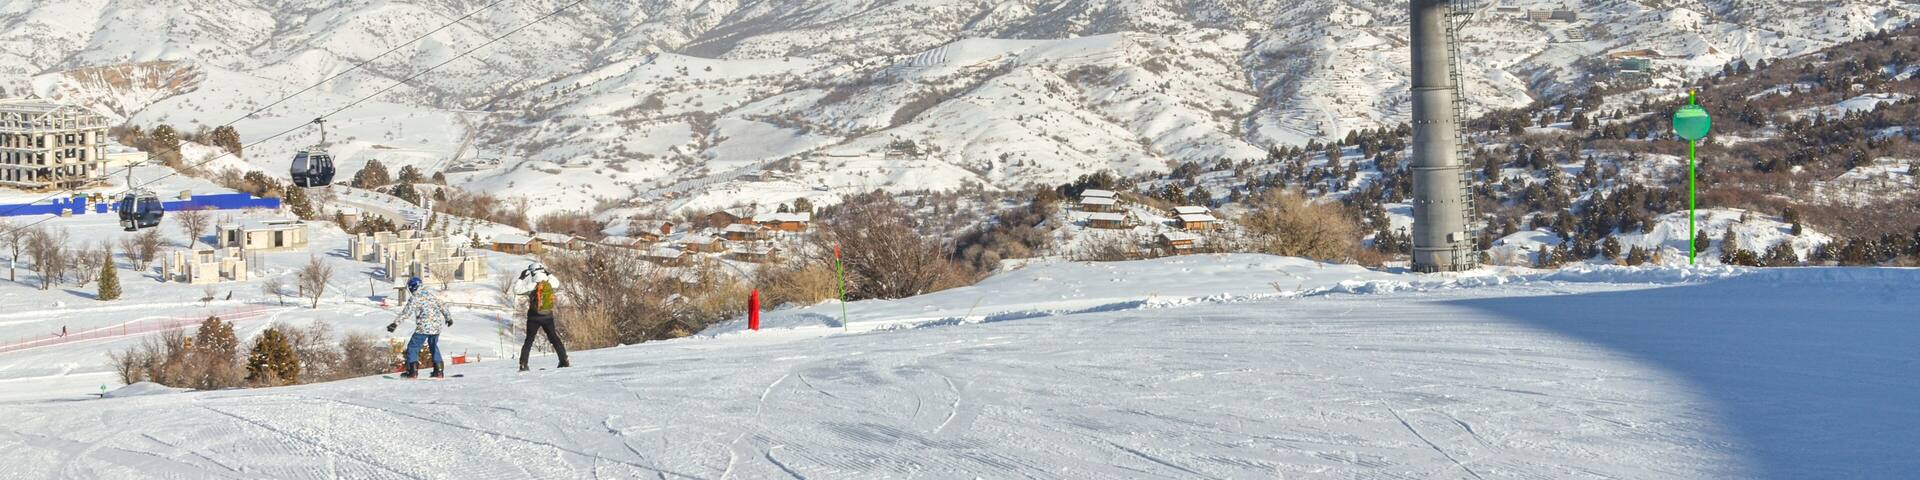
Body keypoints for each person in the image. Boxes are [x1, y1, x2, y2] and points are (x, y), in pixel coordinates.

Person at [387, 277, 453, 378]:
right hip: (436, 327)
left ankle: (412, 372)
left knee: (413, 347)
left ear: (412, 287)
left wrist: (395, 323)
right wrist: (448, 318)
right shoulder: (430, 295)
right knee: (433, 346)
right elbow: (443, 306)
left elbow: (406, 312)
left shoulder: (415, 298)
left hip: (424, 327)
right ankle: (439, 371)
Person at [511, 262, 570, 371]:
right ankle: (564, 360)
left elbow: (516, 290)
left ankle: (523, 364)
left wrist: (521, 278)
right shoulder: (549, 283)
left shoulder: (532, 285)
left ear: (532, 273)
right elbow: (557, 283)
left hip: (534, 316)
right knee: (554, 338)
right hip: (547, 315)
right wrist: (549, 274)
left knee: (529, 340)